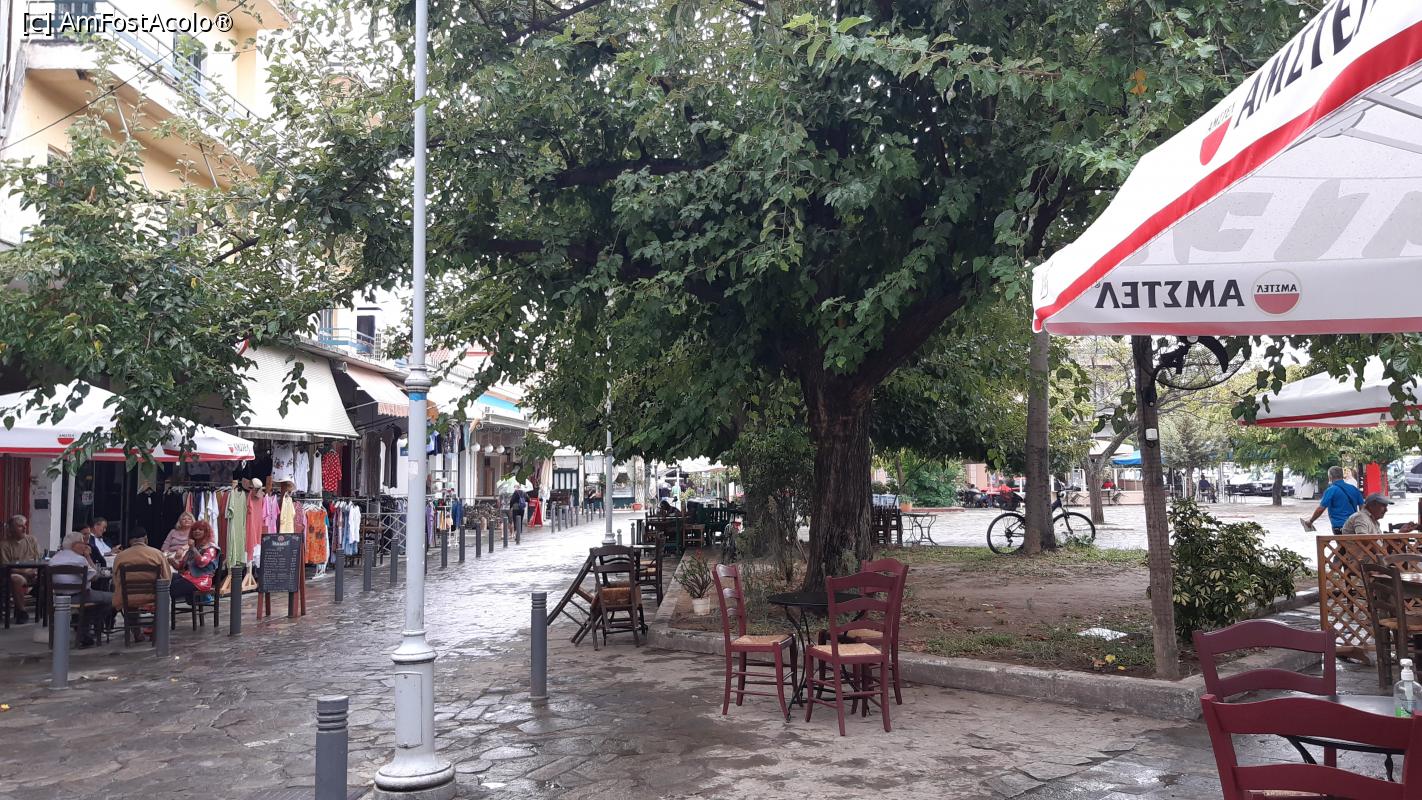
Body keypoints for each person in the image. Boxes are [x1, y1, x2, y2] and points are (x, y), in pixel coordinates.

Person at [49, 531, 114, 647]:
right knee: (112, 598)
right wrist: (87, 556)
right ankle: (86, 630)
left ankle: (83, 629)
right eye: (82, 543)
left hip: (58, 598)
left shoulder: (54, 559)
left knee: (92, 603)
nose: (85, 545)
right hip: (78, 596)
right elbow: (95, 576)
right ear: (75, 545)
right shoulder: (79, 560)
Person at [111, 527, 169, 642]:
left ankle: (136, 632)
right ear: (146, 539)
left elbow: (115, 580)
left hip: (128, 598)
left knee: (129, 604)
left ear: (130, 542)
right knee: (165, 597)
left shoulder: (120, 557)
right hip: (153, 596)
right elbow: (167, 578)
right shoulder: (157, 554)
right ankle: (155, 632)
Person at [1, 514, 41, 624]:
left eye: (25, 525)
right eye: (20, 526)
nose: (24, 528)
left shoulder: (32, 540)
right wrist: (25, 572)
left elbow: (38, 559)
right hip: (17, 574)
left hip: (33, 572)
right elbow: (5, 567)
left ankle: (47, 609)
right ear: (11, 529)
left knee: (48, 575)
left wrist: (34, 571)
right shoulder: (4, 545)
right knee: (15, 579)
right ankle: (22, 612)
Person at [1304, 466, 1365, 534]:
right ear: (1342, 475)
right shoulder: (1353, 489)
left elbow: (1321, 509)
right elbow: (1362, 507)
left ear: (1330, 477)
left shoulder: (1331, 490)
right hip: (1354, 526)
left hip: (1339, 526)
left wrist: (1311, 521)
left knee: (1341, 541)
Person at [171, 521, 220, 603]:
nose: (196, 531)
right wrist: (172, 561)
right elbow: (180, 567)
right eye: (194, 529)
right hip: (188, 577)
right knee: (166, 579)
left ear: (206, 532)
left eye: (200, 529)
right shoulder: (193, 548)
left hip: (201, 581)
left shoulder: (211, 548)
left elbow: (202, 563)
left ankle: (161, 609)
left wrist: (193, 548)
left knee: (170, 588)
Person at [1342, 493, 1417, 536]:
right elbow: (1363, 539)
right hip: (1365, 558)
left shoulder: (1373, 520)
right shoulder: (1361, 517)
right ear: (1371, 506)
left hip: (1373, 556)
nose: (1386, 510)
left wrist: (1400, 533)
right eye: (1383, 506)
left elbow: (1380, 544)